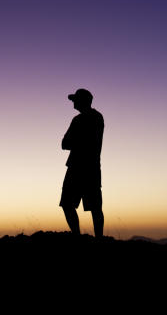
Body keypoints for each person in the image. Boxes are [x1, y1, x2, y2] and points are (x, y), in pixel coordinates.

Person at [59, 88, 105, 238]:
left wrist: (77, 142)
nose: (73, 103)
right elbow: (65, 143)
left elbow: (66, 143)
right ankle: (92, 238)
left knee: (73, 205)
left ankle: (79, 237)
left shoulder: (81, 120)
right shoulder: (95, 118)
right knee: (92, 207)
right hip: (87, 168)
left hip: (79, 168)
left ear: (82, 101)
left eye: (75, 100)